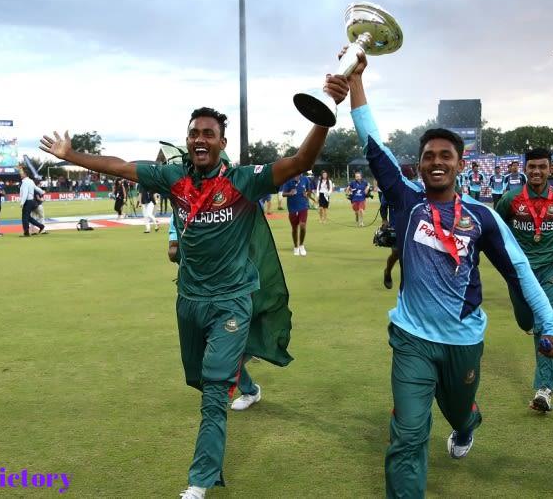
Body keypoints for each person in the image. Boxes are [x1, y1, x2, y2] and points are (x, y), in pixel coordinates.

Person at [39, 74, 348, 499]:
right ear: (187, 141)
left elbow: (297, 163)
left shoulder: (243, 181)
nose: (200, 139)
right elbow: (119, 166)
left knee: (214, 390)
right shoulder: (173, 178)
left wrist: (324, 118)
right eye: (194, 133)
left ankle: (198, 484)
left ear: (222, 143)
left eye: (209, 133)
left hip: (232, 302)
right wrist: (71, 154)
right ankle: (251, 386)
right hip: (189, 301)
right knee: (204, 378)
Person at [348, 51, 553, 499]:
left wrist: (550, 324)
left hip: (464, 341)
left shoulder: (483, 217)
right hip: (411, 338)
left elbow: (521, 272)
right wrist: (355, 77)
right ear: (420, 164)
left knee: (460, 412)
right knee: (408, 434)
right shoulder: (406, 199)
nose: (436, 161)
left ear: (461, 165)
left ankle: (468, 423)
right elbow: (372, 141)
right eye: (428, 156)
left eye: (446, 155)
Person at [495, 148, 553, 412]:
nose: (537, 171)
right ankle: (532, 325)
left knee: (545, 326)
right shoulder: (510, 199)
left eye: (542, 166)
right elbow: (497, 228)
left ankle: (544, 390)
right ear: (524, 168)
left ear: (551, 168)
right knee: (526, 321)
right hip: (520, 274)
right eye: (532, 167)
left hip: (551, 270)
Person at [280, 172, 311, 256]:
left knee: (302, 225)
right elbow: (283, 194)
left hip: (303, 206)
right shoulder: (288, 180)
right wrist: (290, 193)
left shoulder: (305, 179)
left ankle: (301, 245)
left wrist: (307, 194)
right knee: (294, 228)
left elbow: (309, 191)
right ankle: (296, 247)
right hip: (292, 208)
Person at [18, 167, 46, 237]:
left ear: (25, 174)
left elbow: (25, 193)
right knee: (28, 217)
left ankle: (26, 233)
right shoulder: (30, 181)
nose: (20, 174)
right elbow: (36, 188)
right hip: (31, 201)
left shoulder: (25, 182)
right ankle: (41, 226)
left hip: (27, 201)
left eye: (21, 173)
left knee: (24, 217)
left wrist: (22, 203)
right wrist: (42, 191)